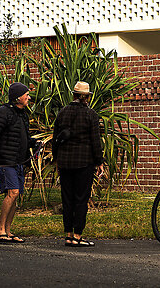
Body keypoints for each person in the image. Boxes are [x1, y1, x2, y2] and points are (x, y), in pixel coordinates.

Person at [0, 81, 39, 244]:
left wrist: (34, 144)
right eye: (26, 95)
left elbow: (22, 138)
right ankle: (0, 230)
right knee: (12, 192)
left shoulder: (22, 114)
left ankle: (8, 231)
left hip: (19, 161)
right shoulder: (2, 112)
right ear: (17, 97)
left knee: (16, 196)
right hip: (5, 161)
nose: (29, 97)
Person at [52, 81, 104, 247]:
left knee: (67, 198)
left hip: (65, 162)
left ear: (73, 95)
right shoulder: (91, 115)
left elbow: (55, 140)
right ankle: (77, 235)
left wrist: (57, 159)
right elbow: (95, 141)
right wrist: (99, 162)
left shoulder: (62, 113)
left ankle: (68, 234)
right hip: (84, 162)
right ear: (86, 98)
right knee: (81, 199)